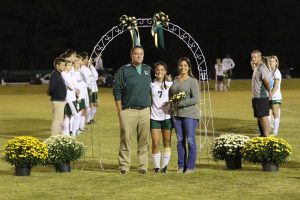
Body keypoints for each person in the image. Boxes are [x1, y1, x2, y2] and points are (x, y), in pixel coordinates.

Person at [113, 46, 152, 174]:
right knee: (125, 139)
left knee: (144, 140)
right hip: (128, 111)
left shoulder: (148, 69)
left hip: (145, 111)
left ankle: (143, 166)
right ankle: (124, 166)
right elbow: (117, 91)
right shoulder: (123, 71)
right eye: (136, 54)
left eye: (141, 53)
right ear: (131, 55)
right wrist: (120, 112)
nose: (139, 56)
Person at [169, 57, 200, 173]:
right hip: (176, 115)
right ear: (178, 67)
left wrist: (181, 103)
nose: (183, 67)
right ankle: (181, 166)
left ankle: (190, 167)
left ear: (189, 67)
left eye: (185, 65)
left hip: (190, 115)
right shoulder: (175, 80)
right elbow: (170, 94)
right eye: (181, 65)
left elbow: (195, 99)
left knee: (191, 140)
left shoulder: (192, 81)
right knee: (180, 140)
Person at [150, 62, 173, 173]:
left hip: (166, 117)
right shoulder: (151, 85)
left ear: (165, 72)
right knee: (155, 142)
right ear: (155, 72)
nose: (159, 72)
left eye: (162, 70)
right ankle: (156, 167)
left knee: (167, 142)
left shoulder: (170, 84)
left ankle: (164, 167)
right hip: (154, 117)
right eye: (157, 70)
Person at [251, 50, 271, 137]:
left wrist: (269, 91)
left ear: (259, 57)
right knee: (259, 117)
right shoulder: (256, 67)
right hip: (256, 97)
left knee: (263, 117)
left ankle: (266, 135)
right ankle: (262, 134)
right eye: (252, 57)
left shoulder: (262, 67)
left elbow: (266, 81)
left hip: (261, 96)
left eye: (255, 57)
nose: (253, 59)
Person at [48, 57, 66, 136]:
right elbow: (52, 88)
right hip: (57, 100)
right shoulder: (55, 75)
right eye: (62, 65)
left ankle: (57, 135)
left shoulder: (58, 74)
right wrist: (57, 95)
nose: (64, 66)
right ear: (57, 66)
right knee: (57, 119)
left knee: (60, 119)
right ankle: (55, 136)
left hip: (60, 99)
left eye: (64, 65)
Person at [268, 55, 282, 136]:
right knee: (268, 113)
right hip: (270, 95)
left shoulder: (277, 72)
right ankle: (268, 128)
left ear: (276, 63)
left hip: (275, 96)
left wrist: (271, 95)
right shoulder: (270, 72)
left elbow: (276, 86)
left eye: (273, 61)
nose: (271, 63)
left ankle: (275, 131)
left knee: (275, 113)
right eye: (270, 61)